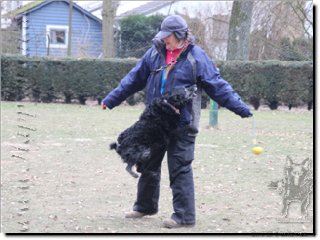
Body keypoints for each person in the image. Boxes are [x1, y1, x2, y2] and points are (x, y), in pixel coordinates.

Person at [102, 15, 252, 228]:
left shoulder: (197, 57)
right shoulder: (154, 54)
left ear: (181, 35)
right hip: (155, 124)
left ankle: (183, 216)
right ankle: (145, 207)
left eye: (168, 36)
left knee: (180, 167)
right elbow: (133, 78)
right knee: (148, 165)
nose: (165, 40)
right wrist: (111, 99)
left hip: (183, 123)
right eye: (162, 36)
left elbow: (218, 86)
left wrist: (241, 108)